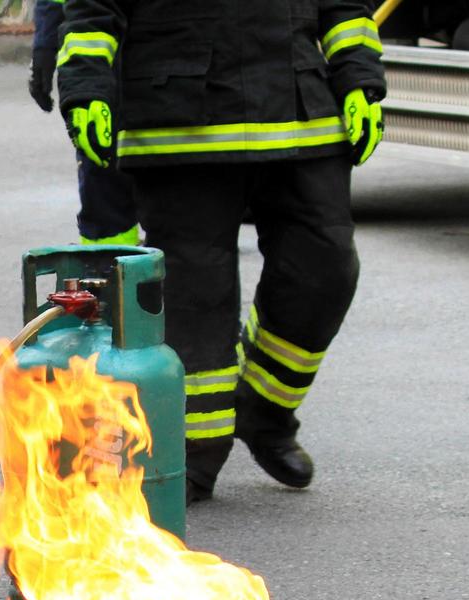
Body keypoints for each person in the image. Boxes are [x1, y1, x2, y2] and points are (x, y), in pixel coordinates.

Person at [55, 0, 385, 503]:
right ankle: (192, 451)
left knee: (326, 269)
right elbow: (93, 8)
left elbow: (346, 6)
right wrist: (85, 88)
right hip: (180, 119)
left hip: (300, 112)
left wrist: (360, 81)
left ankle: (264, 411)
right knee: (196, 296)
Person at [28, 0, 141, 246]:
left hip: (183, 59)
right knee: (105, 192)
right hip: (103, 62)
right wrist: (45, 43)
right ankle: (107, 269)